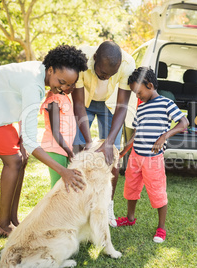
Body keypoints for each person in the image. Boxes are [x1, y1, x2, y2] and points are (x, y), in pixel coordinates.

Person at [0, 45, 88, 237]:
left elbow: (23, 110)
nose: (64, 89)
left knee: (22, 158)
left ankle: (12, 219)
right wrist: (63, 171)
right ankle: (2, 225)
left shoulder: (39, 74)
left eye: (70, 85)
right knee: (14, 160)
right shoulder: (33, 83)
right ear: (50, 69)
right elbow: (30, 139)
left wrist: (21, 139)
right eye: (61, 82)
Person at [110, 67, 189, 243]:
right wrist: (125, 151)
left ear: (150, 85)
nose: (137, 96)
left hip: (153, 158)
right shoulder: (141, 108)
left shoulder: (166, 103)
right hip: (136, 156)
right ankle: (130, 219)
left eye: (139, 92)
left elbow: (184, 122)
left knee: (157, 191)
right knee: (131, 188)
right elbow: (136, 132)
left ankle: (161, 228)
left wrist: (164, 136)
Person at [71, 41, 136, 223]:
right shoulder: (81, 58)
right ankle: (80, 205)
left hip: (112, 105)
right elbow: (77, 103)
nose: (107, 78)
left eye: (111, 75)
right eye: (103, 73)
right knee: (79, 149)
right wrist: (90, 143)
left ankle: (108, 205)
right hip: (85, 103)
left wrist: (108, 143)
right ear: (94, 60)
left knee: (113, 155)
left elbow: (122, 105)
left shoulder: (128, 64)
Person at [40, 88, 76, 188]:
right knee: (57, 187)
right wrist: (69, 152)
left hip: (64, 149)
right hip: (55, 149)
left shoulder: (64, 96)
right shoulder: (54, 100)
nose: (72, 87)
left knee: (65, 186)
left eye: (73, 83)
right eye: (69, 84)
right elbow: (55, 131)